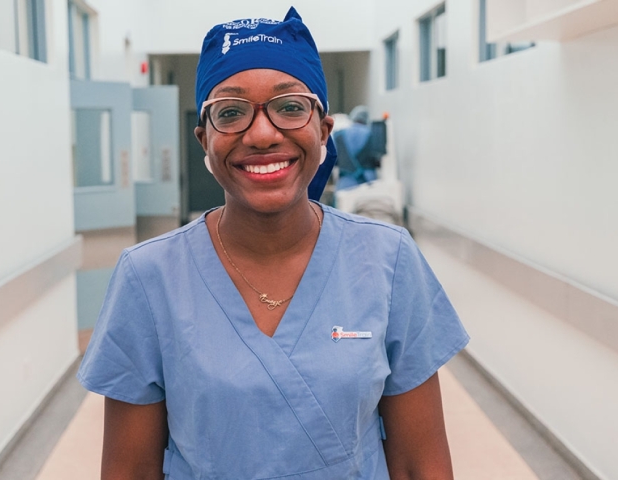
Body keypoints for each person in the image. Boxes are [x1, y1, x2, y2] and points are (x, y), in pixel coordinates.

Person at [77, 7, 468, 480]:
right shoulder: (149, 277)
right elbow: (131, 471)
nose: (262, 134)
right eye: (230, 112)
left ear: (323, 129)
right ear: (205, 139)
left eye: (290, 106)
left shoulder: (388, 260)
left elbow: (418, 463)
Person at [334, 106, 380, 190]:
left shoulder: (338, 135)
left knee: (344, 202)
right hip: (368, 181)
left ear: (353, 117)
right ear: (366, 119)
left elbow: (334, 159)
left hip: (346, 182)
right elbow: (377, 158)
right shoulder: (372, 134)